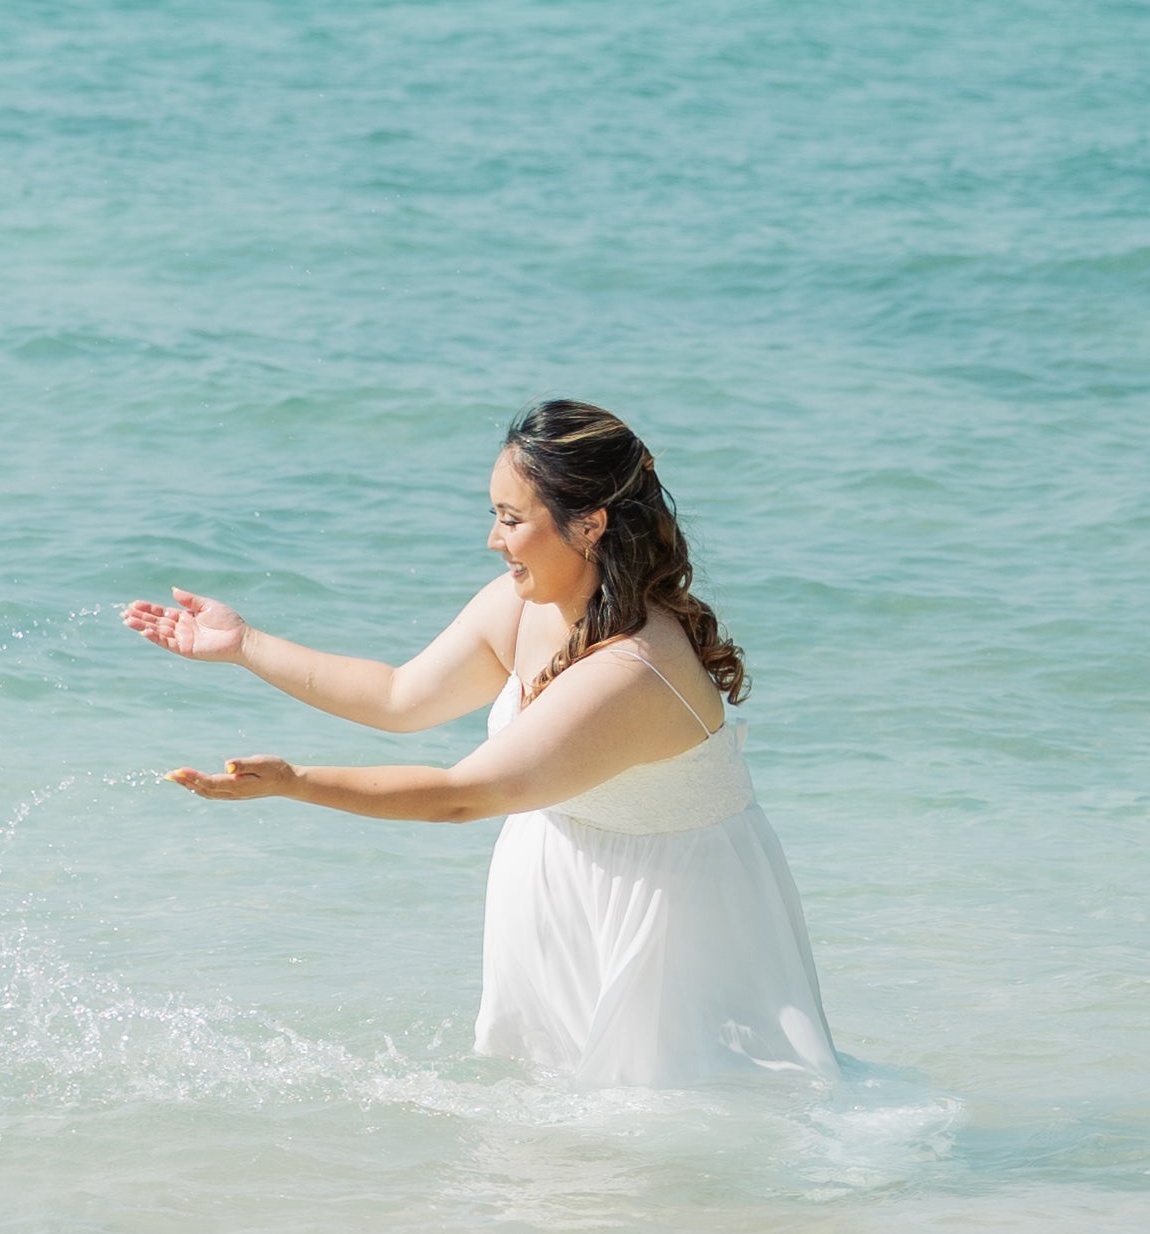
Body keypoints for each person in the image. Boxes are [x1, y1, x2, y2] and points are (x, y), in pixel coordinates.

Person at [128, 399, 836, 1087]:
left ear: (588, 525)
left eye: (510, 519)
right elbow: (399, 696)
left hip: (665, 928)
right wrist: (244, 644)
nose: (492, 540)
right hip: (573, 890)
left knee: (683, 1141)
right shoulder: (525, 603)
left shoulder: (633, 670)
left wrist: (296, 781)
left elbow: (463, 797)